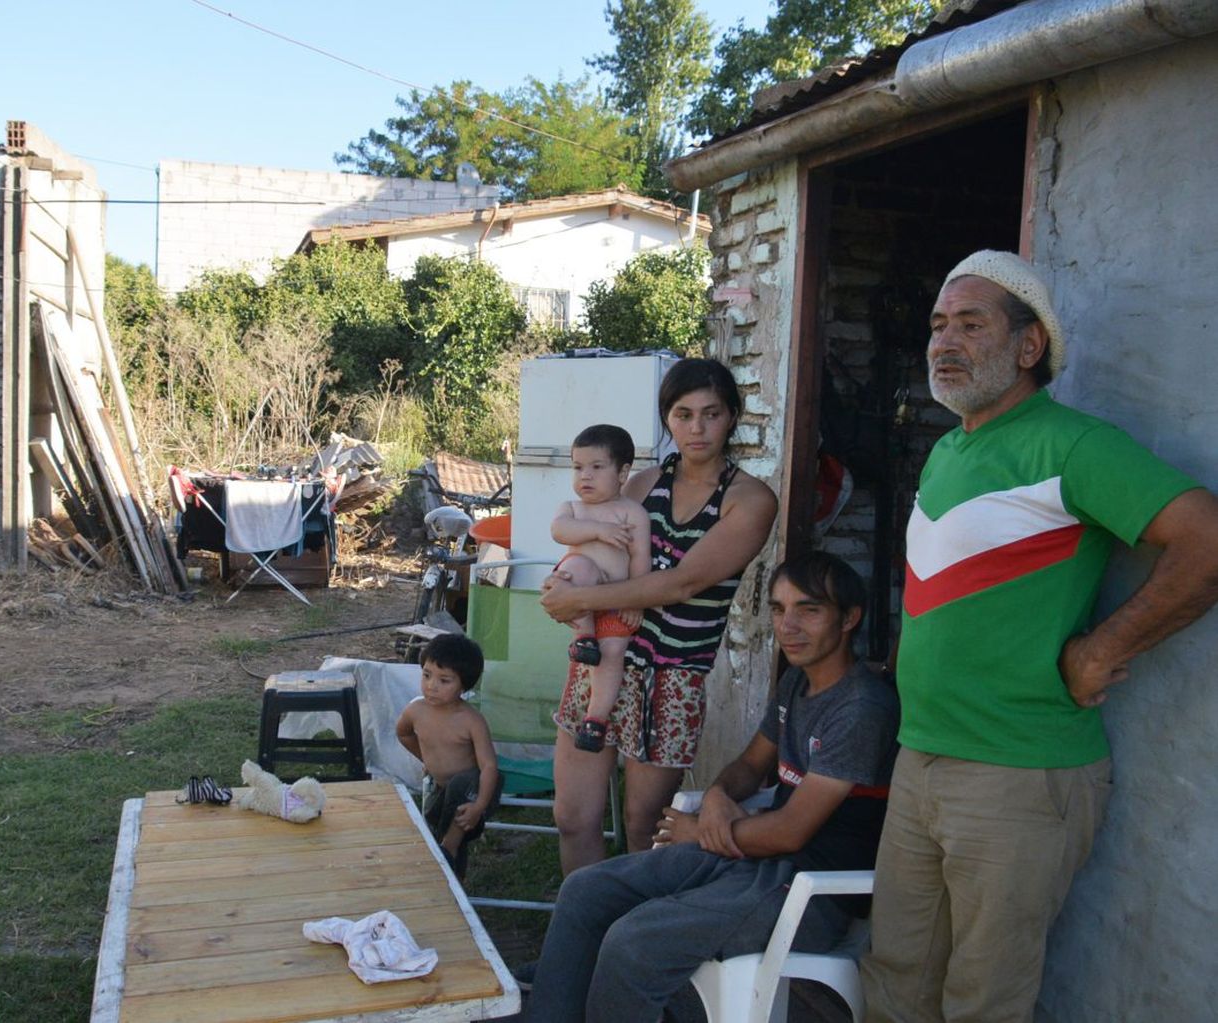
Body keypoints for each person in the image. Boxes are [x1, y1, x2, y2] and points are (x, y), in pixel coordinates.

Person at [860, 250, 1218, 1023]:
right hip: (922, 756)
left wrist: (1103, 649)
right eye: (937, 325)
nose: (944, 342)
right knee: (893, 983)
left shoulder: (1071, 444)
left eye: (971, 324)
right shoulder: (949, 449)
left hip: (1018, 773)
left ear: (1028, 347)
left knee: (983, 1002)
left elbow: (1206, 541)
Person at [519, 552, 898, 1023]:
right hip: (755, 859)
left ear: (849, 619)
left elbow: (791, 833)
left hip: (812, 892)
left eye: (809, 610)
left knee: (635, 941)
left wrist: (699, 830)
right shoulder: (798, 682)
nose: (789, 625)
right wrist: (719, 798)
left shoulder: (862, 708)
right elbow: (747, 765)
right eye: (778, 610)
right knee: (586, 890)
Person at [540, 358, 778, 873]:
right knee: (573, 817)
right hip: (604, 659)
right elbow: (602, 556)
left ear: (732, 417)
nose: (696, 428)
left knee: (644, 827)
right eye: (682, 414)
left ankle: (629, 943)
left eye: (711, 414)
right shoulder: (642, 484)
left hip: (673, 678)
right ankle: (581, 940)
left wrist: (581, 601)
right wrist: (567, 581)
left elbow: (683, 583)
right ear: (666, 419)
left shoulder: (749, 500)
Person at [549, 424, 652, 754]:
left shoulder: (632, 512)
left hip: (616, 602)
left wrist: (636, 599)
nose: (585, 477)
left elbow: (640, 560)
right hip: (581, 605)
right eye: (578, 467)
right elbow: (559, 531)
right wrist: (596, 531)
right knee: (580, 565)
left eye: (597, 467)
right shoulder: (573, 509)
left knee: (612, 658)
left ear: (623, 473)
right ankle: (584, 639)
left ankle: (596, 720)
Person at [394, 633, 502, 878]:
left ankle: (448, 849)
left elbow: (488, 766)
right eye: (427, 675)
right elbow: (403, 734)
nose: (432, 685)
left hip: (475, 790)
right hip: (441, 789)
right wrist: (427, 759)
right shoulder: (416, 711)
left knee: (462, 786)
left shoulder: (470, 720)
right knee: (436, 822)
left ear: (463, 685)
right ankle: (451, 873)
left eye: (444, 680)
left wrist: (480, 805)